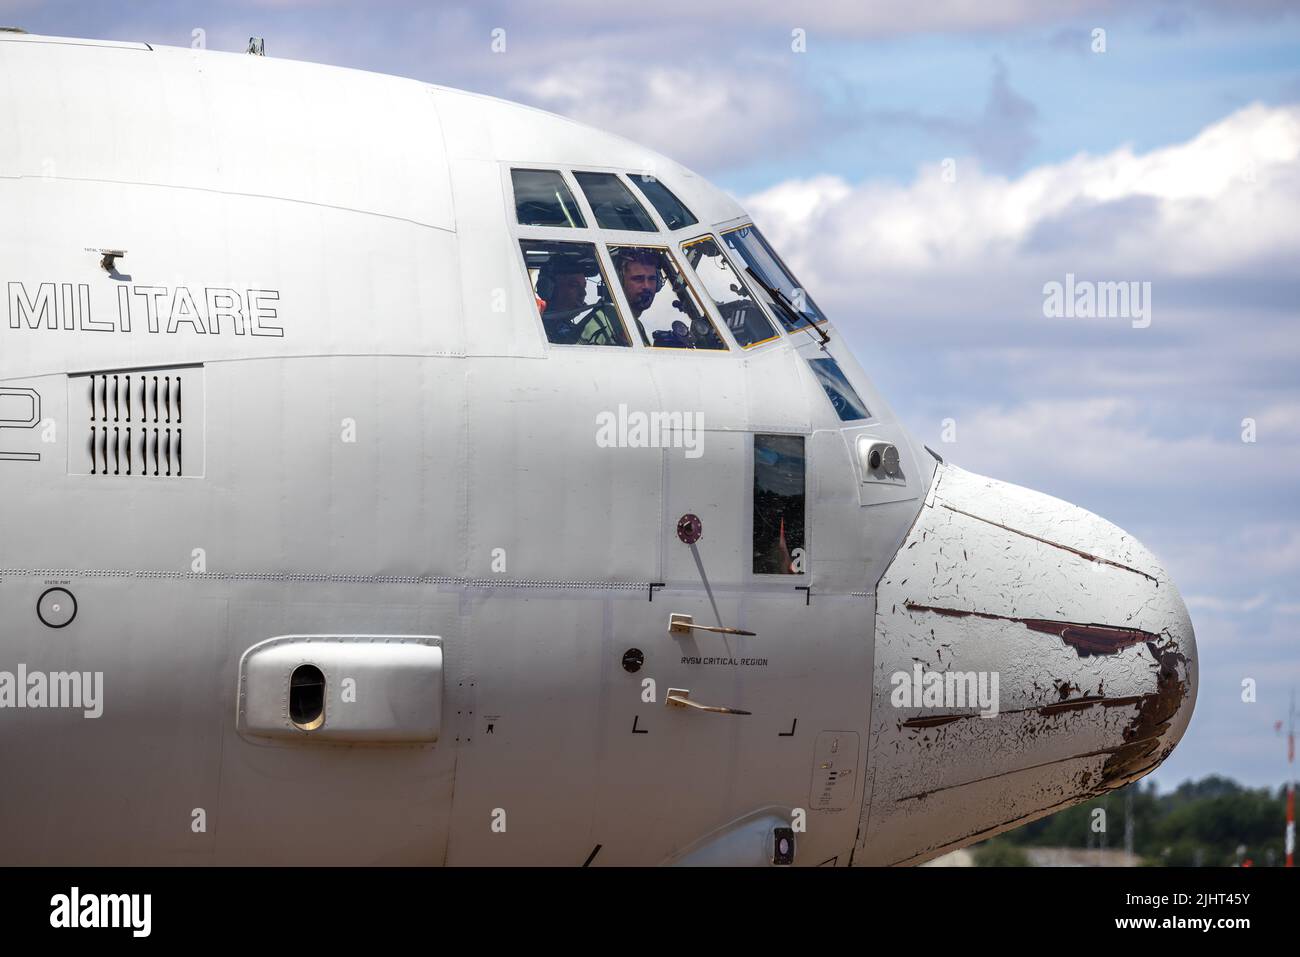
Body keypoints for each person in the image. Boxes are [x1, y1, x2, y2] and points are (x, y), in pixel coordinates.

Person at [537, 256, 624, 346]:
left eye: (584, 286)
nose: (583, 293)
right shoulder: (538, 330)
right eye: (574, 285)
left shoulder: (568, 327)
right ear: (547, 289)